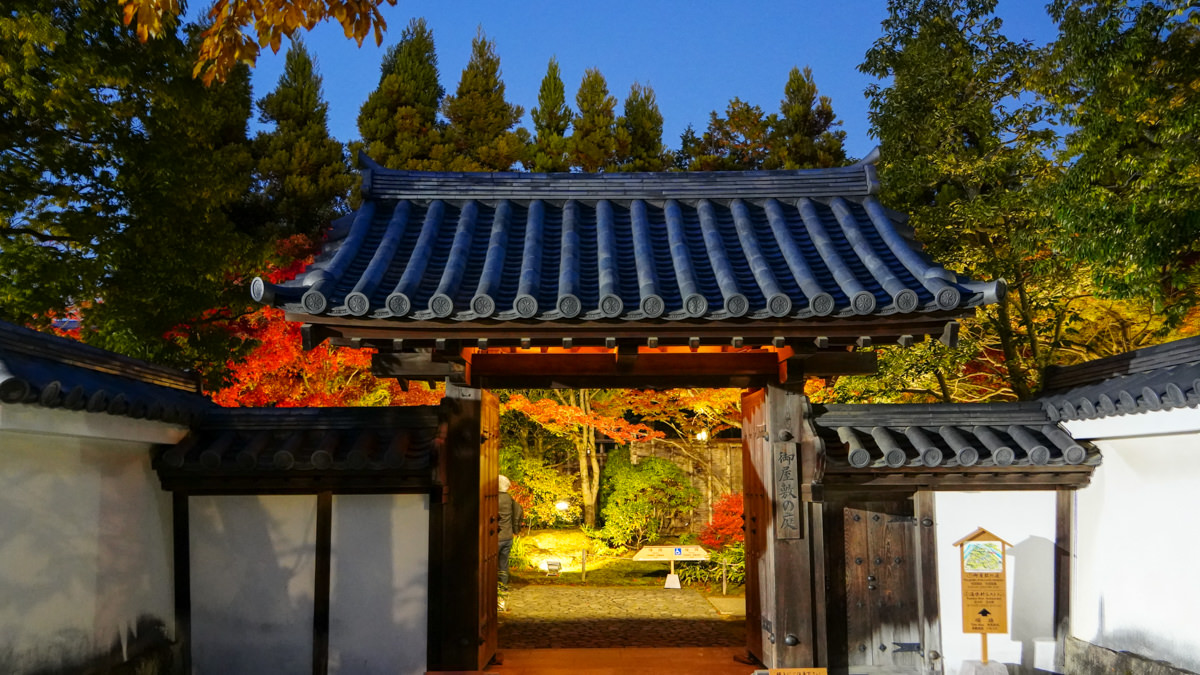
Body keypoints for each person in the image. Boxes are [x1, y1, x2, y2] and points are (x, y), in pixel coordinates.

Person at [497, 475, 522, 587]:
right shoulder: (509, 499)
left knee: (491, 563)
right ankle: (503, 585)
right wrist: (516, 529)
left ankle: (493, 588)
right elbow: (518, 511)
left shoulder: (494, 498)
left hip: (497, 536)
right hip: (508, 535)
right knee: (504, 563)